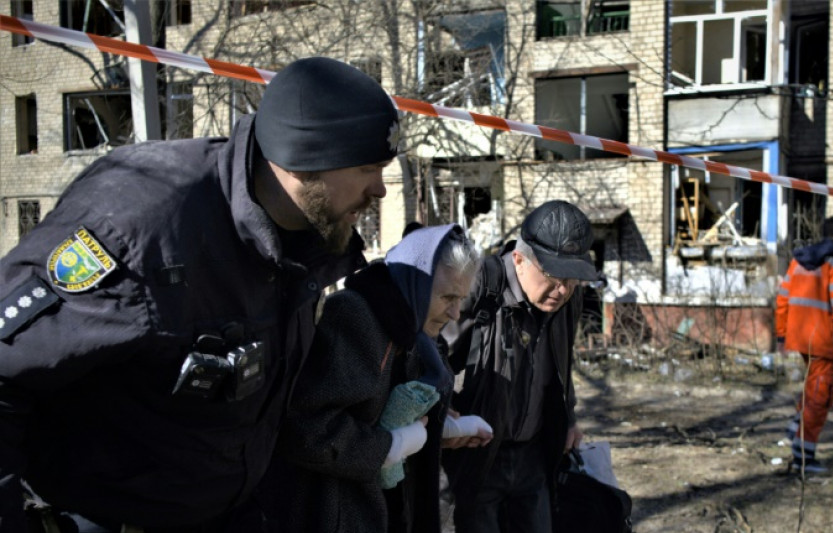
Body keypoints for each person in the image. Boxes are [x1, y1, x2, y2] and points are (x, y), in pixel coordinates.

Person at [0, 56, 399, 532]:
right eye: (366, 167)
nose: (379, 189)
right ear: (303, 160)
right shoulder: (140, 226)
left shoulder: (302, 241)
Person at [268, 224, 491, 533]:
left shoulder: (420, 333)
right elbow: (307, 427)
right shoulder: (357, 316)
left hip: (396, 507)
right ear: (416, 281)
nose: (455, 314)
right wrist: (390, 446)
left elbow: (396, 407)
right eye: (447, 297)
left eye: (461, 299)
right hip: (343, 513)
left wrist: (441, 428)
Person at [441, 200, 599, 533]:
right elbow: (429, 349)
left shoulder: (567, 302)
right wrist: (441, 410)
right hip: (475, 458)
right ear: (519, 259)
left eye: (573, 279)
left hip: (534, 458)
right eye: (555, 276)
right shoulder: (477, 283)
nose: (563, 289)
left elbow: (561, 366)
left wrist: (568, 417)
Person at [776, 215, 833, 474]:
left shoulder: (799, 260)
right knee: (820, 397)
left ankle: (795, 428)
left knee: (813, 388)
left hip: (800, 336)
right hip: (823, 339)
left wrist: (782, 335)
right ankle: (804, 456)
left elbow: (782, 299)